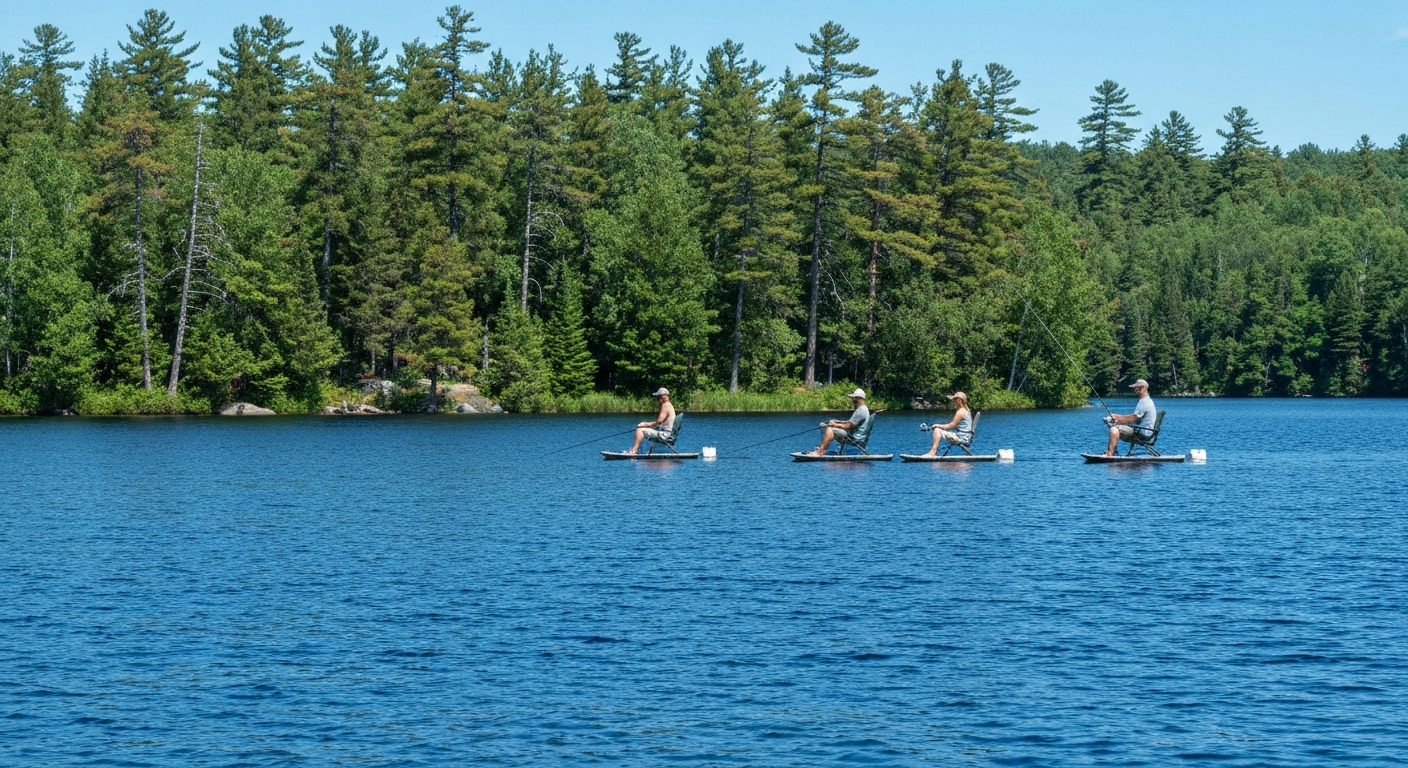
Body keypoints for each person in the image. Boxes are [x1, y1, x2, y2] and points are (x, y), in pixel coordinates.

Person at [804, 388, 870, 456]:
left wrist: (834, 425)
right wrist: (836, 422)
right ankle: (821, 450)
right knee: (832, 425)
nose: (852, 400)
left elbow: (848, 425)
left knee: (830, 429)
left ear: (859, 398)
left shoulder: (861, 411)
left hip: (855, 438)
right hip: (854, 435)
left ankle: (819, 452)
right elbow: (850, 422)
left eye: (853, 398)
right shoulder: (863, 409)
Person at [1103, 379, 1157, 456]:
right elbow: (1133, 417)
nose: (1136, 389)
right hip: (1143, 432)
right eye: (1135, 388)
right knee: (1116, 426)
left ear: (1145, 388)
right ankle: (1114, 452)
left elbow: (1132, 418)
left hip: (1142, 434)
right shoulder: (1145, 400)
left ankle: (1110, 453)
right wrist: (1116, 416)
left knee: (1114, 429)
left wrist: (1118, 420)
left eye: (1139, 388)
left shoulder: (1145, 402)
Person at [624, 388, 676, 455]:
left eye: (658, 398)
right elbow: (659, 423)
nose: (657, 400)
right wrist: (649, 425)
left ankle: (633, 452)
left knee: (639, 430)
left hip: (665, 435)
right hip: (667, 433)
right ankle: (636, 451)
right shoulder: (669, 405)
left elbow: (658, 422)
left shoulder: (665, 405)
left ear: (663, 397)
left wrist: (644, 424)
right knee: (642, 429)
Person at [921, 391, 973, 456]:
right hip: (965, 437)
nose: (953, 402)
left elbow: (951, 426)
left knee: (937, 430)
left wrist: (938, 425)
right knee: (939, 430)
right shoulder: (967, 410)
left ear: (959, 400)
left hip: (961, 438)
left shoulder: (960, 412)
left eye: (954, 400)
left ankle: (932, 453)